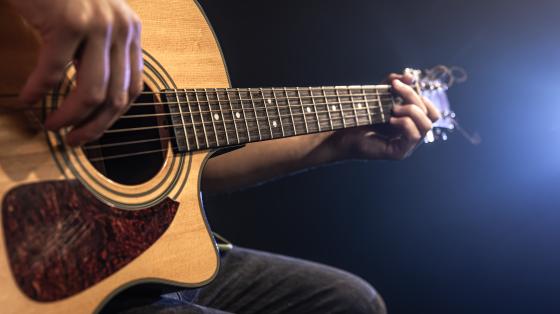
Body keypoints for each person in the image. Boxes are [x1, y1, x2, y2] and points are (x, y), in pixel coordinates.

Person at [9, 0, 440, 313]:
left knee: (348, 303)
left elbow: (187, 158)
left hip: (97, 253)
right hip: (33, 265)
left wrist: (337, 143)